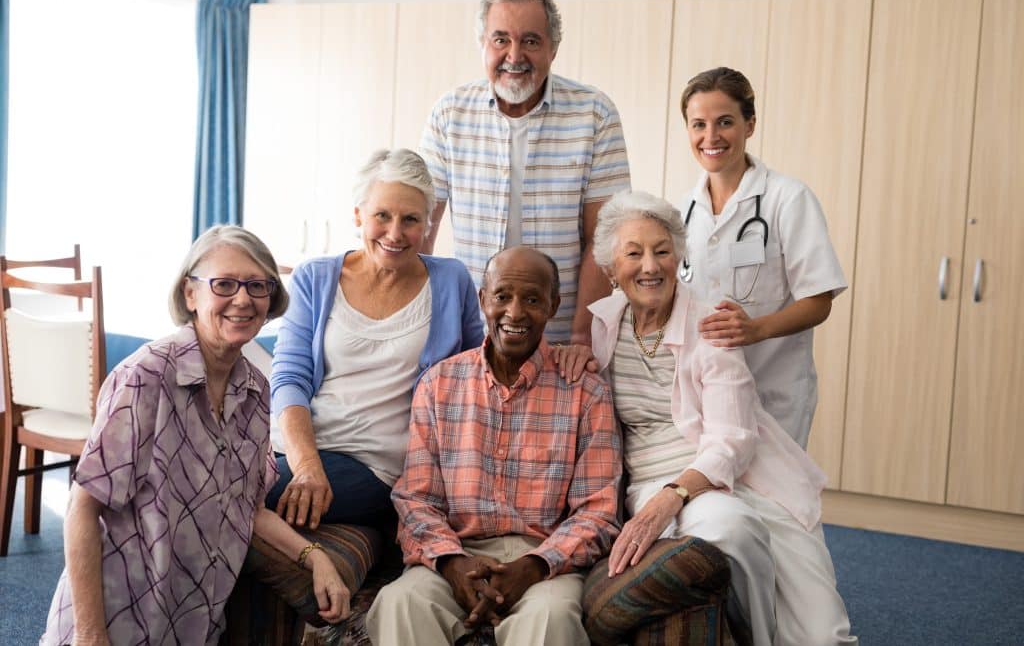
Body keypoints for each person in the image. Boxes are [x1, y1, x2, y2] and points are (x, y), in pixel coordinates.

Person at [40, 226, 349, 646]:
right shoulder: (145, 377)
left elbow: (249, 509)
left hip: (193, 622)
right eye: (224, 284)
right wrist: (91, 634)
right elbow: (82, 507)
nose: (243, 299)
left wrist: (316, 559)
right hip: (115, 616)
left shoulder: (257, 391)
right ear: (191, 294)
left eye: (258, 286)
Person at [588, 191, 855, 645]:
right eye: (634, 253)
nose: (650, 266)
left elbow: (732, 438)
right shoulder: (602, 326)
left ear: (679, 257)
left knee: (824, 635)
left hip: (740, 472)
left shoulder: (710, 323)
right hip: (652, 478)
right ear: (612, 270)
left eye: (663, 251)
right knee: (727, 525)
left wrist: (673, 496)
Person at [366, 246, 622, 645]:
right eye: (502, 296)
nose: (515, 313)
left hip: (545, 561)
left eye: (533, 299)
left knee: (550, 619)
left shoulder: (585, 392)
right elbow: (416, 498)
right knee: (399, 603)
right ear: (484, 299)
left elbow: (598, 512)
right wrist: (451, 562)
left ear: (553, 305)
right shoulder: (439, 385)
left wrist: (535, 565)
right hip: (458, 550)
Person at [419, 0, 631, 374]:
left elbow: (605, 240)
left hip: (561, 339)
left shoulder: (595, 114)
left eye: (531, 41)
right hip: (470, 338)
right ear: (483, 43)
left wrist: (581, 339)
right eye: (501, 39)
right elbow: (422, 231)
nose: (514, 55)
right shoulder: (449, 114)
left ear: (553, 47)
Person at [267, 148, 483, 531]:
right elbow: (289, 380)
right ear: (358, 216)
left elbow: (478, 379)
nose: (395, 233)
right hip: (296, 453)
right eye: (382, 215)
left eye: (411, 219)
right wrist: (307, 467)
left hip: (379, 468)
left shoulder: (452, 282)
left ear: (428, 225)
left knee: (224, 491)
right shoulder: (314, 278)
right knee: (217, 480)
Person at [677, 66, 846, 447]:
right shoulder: (683, 211)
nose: (711, 137)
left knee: (771, 504)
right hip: (706, 397)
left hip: (772, 393)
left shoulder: (788, 199)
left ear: (749, 124)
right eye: (698, 124)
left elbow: (818, 300)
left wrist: (755, 329)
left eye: (725, 122)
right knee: (715, 502)